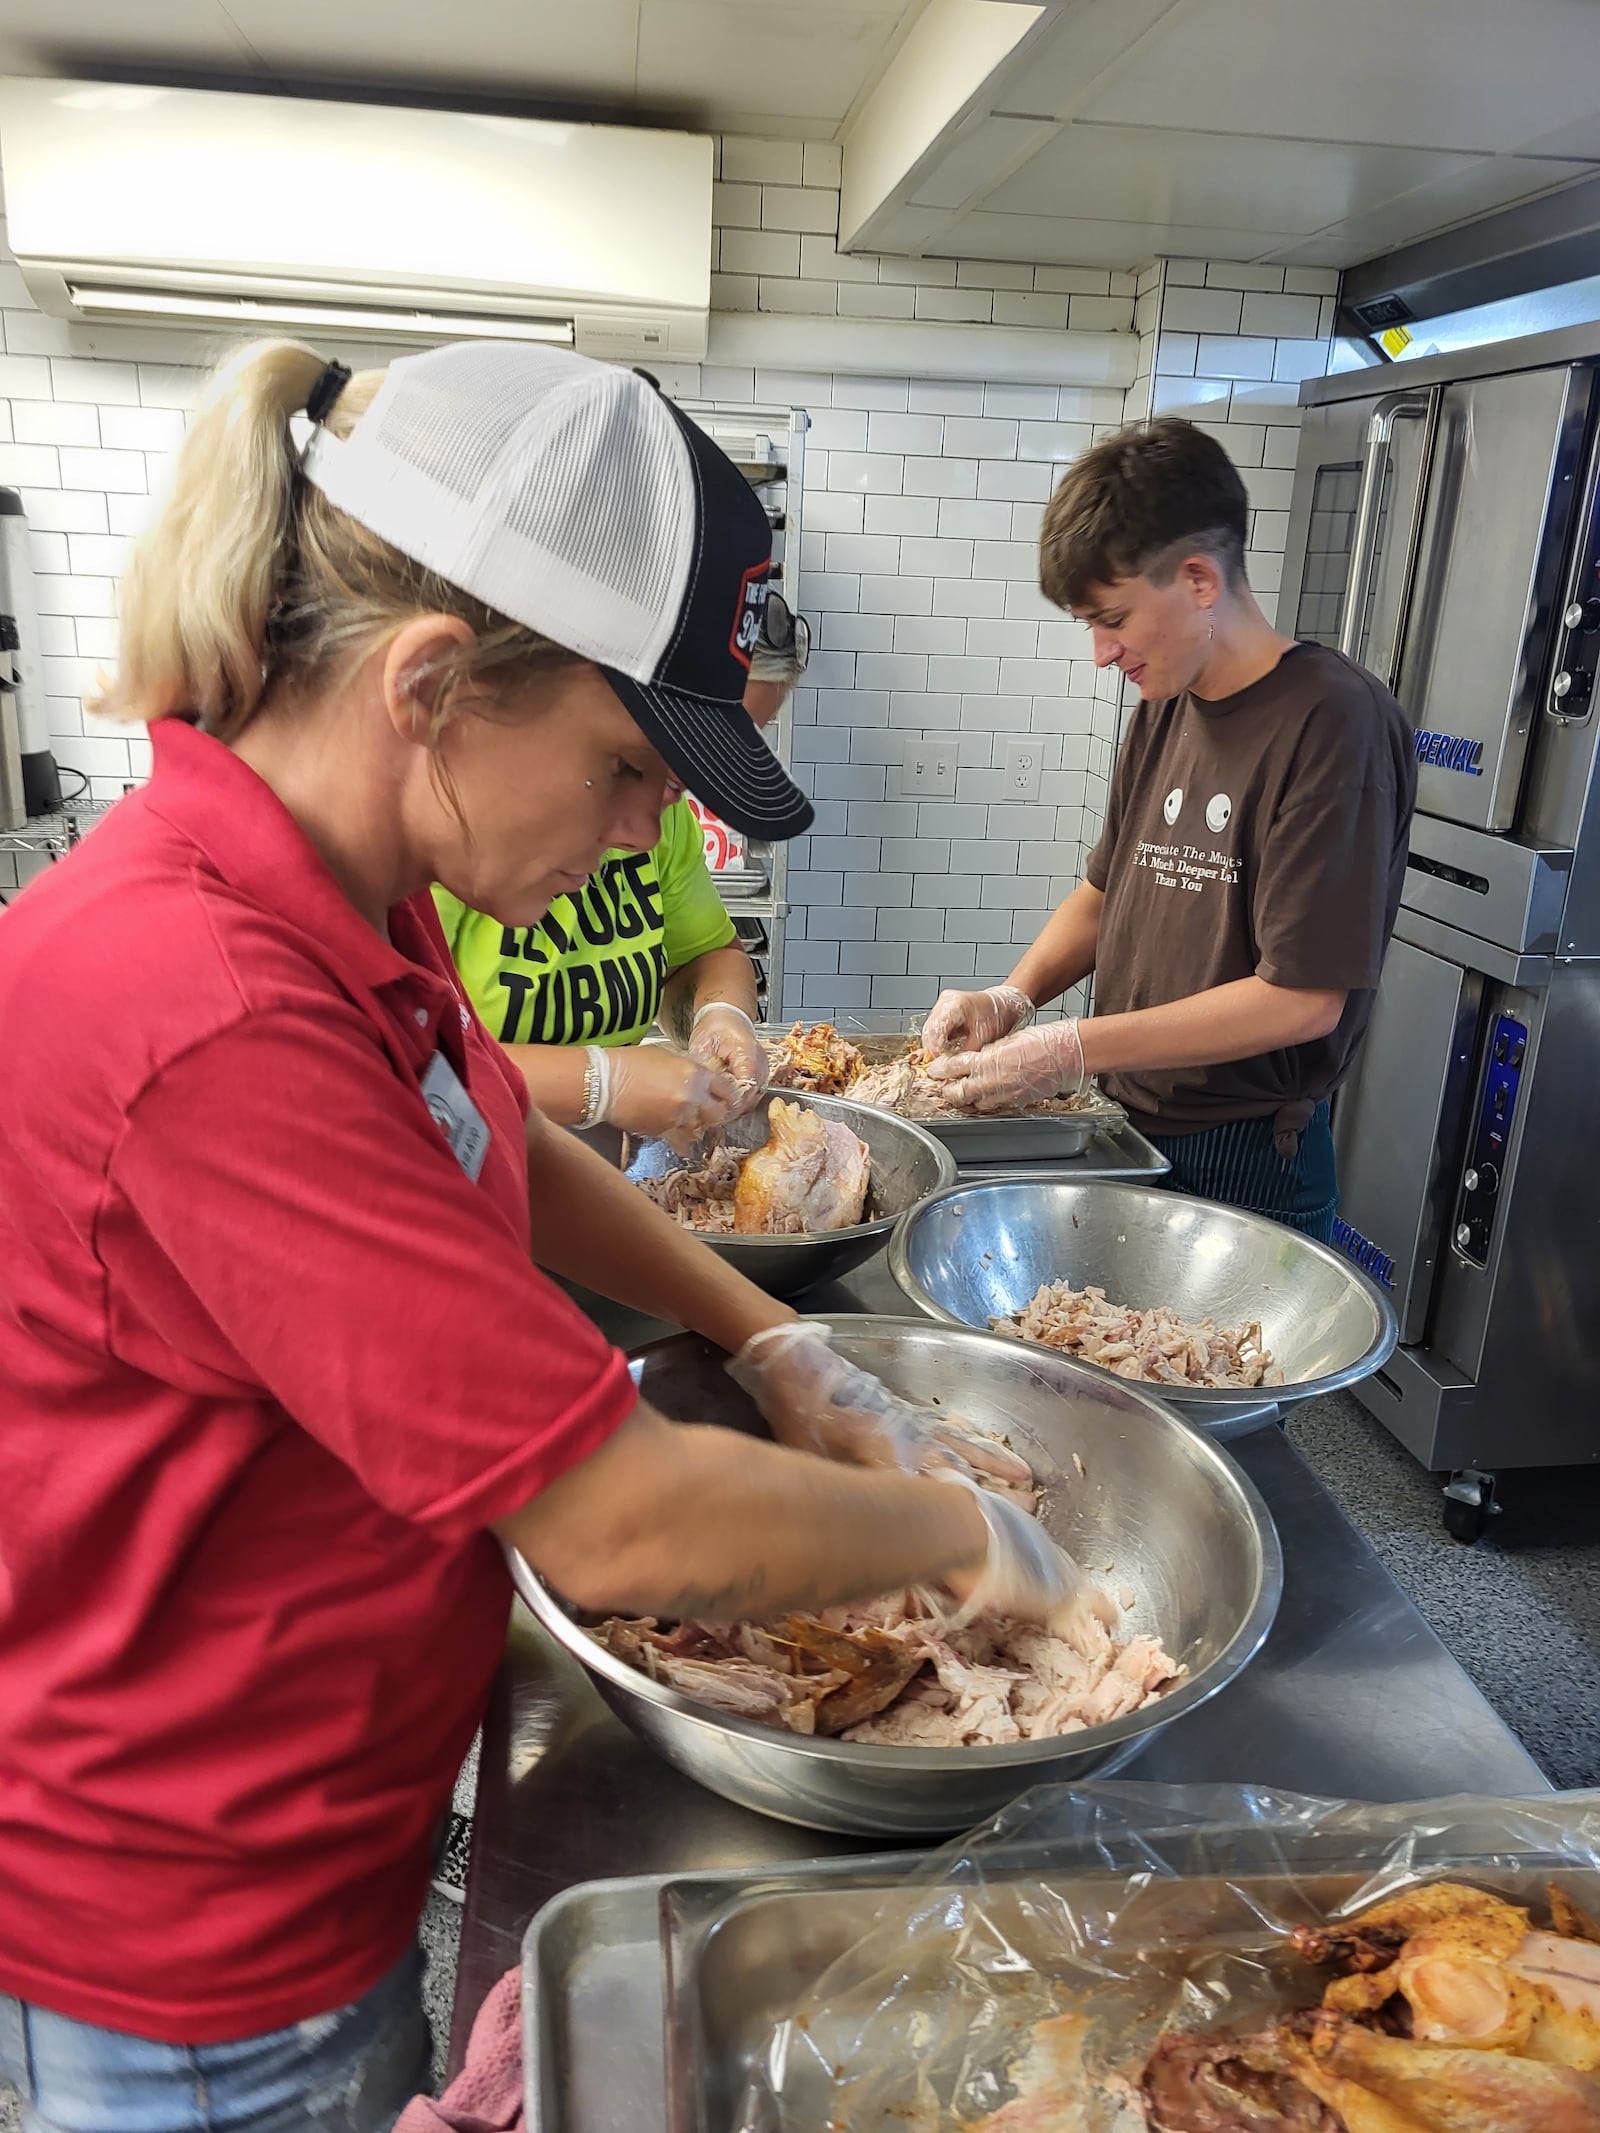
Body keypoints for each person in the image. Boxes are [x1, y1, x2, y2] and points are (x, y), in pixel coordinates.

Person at [0, 340, 1075, 2133]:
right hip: (196, 1939)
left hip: (316, 1832)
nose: (656, 832)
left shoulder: (342, 895)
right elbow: (619, 1512)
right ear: (431, 683)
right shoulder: (205, 1003)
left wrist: (770, 1335)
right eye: (626, 770)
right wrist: (979, 1541)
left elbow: (490, 1123)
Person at [922, 418, 1415, 1242]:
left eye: (1111, 618)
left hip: (1246, 1152)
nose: (1101, 653)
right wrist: (1014, 996)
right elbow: (1105, 890)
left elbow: (1301, 999)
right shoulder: (1168, 703)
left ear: (1196, 579)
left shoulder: (1334, 722)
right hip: (1127, 1119)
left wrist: (1071, 1047)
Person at [430, 612, 809, 1145]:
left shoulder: (662, 822)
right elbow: (415, 1067)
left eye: (682, 783)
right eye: (634, 766)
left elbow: (705, 953)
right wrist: (602, 1082)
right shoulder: (447, 846)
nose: (644, 832)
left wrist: (720, 1016)